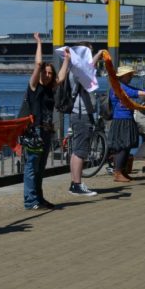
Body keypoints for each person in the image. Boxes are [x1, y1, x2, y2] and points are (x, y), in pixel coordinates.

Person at [21, 33, 69, 210]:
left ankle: (39, 198)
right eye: (45, 72)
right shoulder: (34, 86)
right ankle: (30, 200)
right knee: (31, 166)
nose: (48, 75)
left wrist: (67, 59)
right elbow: (39, 63)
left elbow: (62, 77)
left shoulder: (50, 89)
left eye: (50, 73)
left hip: (47, 131)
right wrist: (39, 43)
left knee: (41, 168)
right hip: (34, 131)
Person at [65, 45, 104, 197]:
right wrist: (98, 55)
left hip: (80, 113)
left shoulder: (75, 69)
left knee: (77, 150)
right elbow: (87, 69)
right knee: (81, 151)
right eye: (88, 52)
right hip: (81, 114)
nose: (91, 56)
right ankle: (77, 184)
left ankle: (75, 183)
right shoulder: (77, 70)